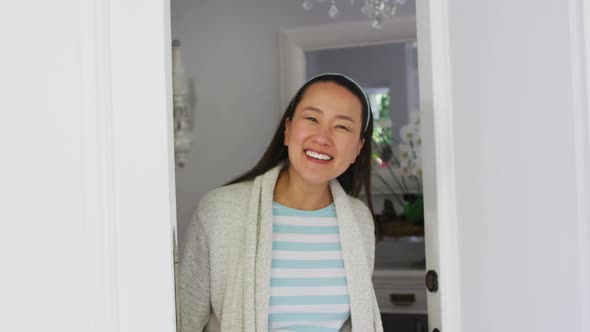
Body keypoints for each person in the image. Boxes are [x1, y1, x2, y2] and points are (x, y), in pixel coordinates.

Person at [180, 73, 383, 332]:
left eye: (341, 126)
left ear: (357, 148)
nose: (323, 137)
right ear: (288, 130)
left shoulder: (359, 219)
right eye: (311, 119)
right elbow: (184, 320)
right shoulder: (219, 211)